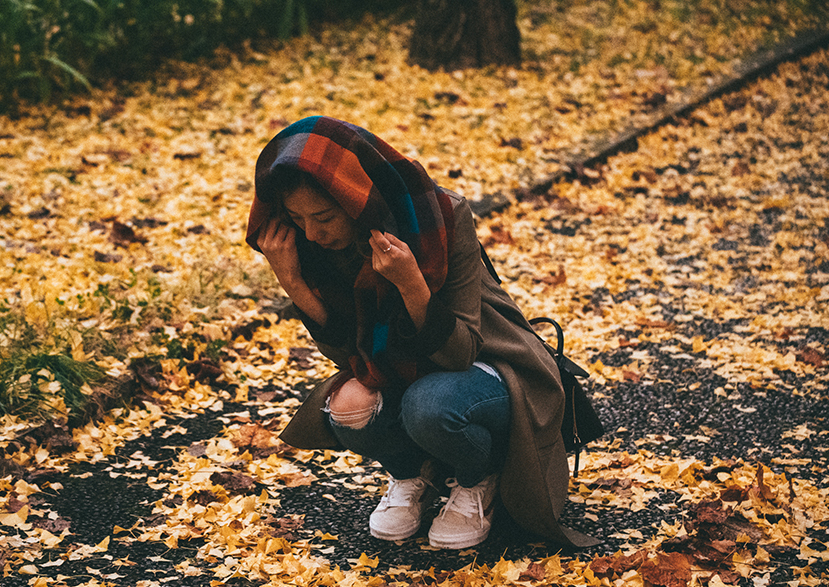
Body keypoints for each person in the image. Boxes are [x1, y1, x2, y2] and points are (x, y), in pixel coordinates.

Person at [246, 116, 597, 549]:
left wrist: (411, 283)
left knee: (428, 406)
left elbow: (461, 352)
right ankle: (413, 473)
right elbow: (350, 359)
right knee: (348, 407)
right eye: (297, 219)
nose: (311, 233)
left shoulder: (443, 217)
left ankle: (477, 477)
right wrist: (294, 285)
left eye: (323, 217)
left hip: (491, 367)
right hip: (408, 373)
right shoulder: (314, 246)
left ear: (358, 198)